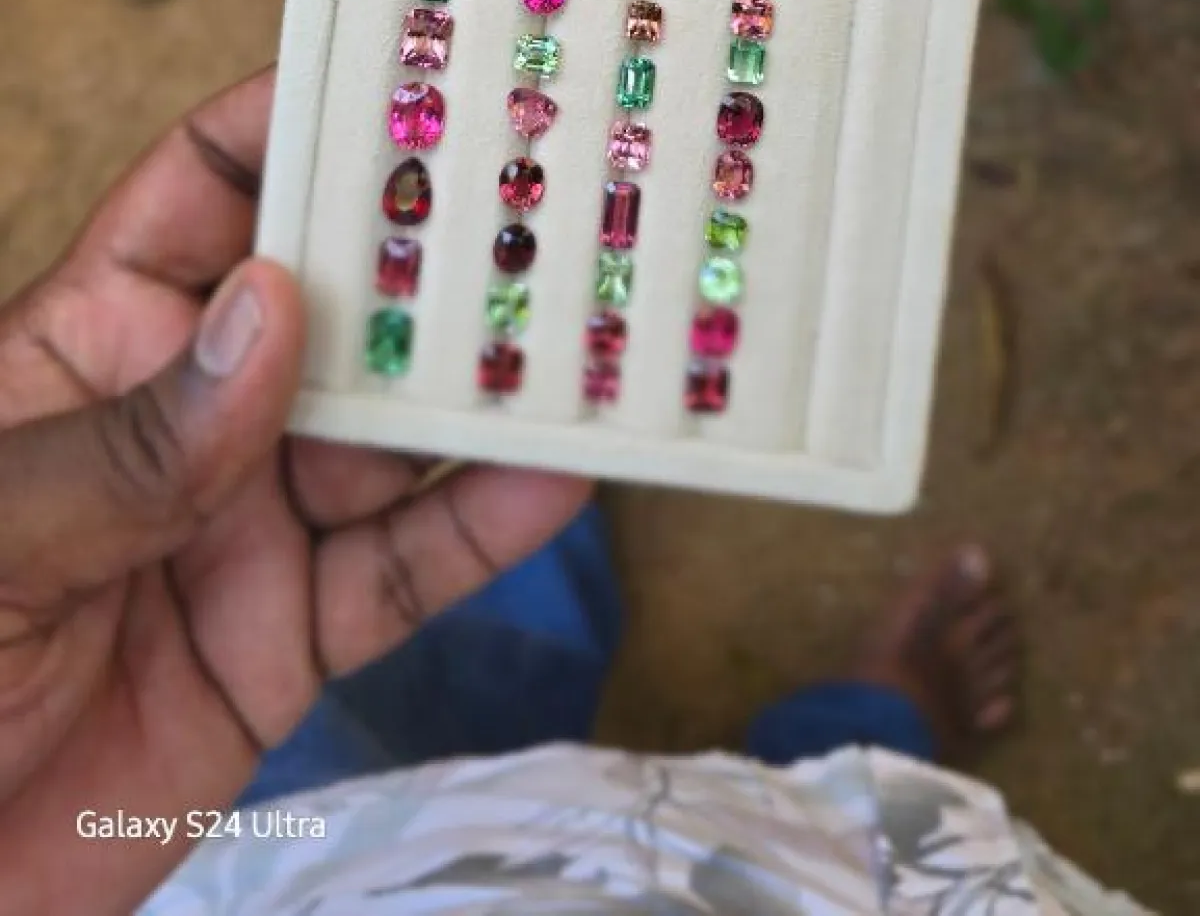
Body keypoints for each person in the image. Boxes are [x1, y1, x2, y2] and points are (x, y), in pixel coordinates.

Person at [0, 72, 1145, 916]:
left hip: (211, 842)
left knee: (354, 672)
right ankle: (852, 744)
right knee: (775, 847)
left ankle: (554, 521)